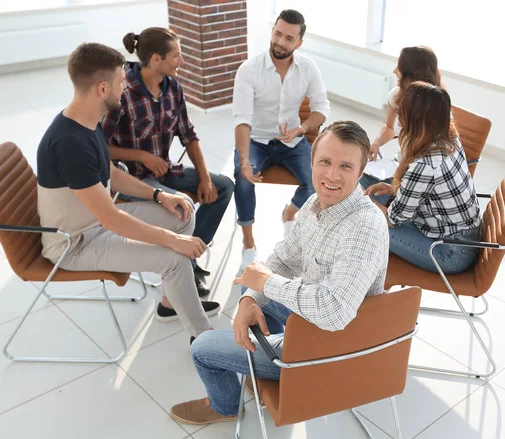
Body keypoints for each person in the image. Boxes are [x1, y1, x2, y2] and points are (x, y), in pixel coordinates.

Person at [169, 121, 389, 426]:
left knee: (202, 347)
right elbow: (285, 259)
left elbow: (334, 312)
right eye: (325, 162)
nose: (332, 175)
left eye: (345, 166)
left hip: (329, 349)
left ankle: (225, 406)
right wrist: (250, 298)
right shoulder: (315, 202)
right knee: (254, 303)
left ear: (361, 171)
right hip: (308, 323)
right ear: (311, 162)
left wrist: (266, 284)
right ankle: (258, 366)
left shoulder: (364, 226)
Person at [37, 42, 220, 346]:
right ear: (102, 88)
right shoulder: (69, 144)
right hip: (76, 243)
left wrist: (160, 197)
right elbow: (110, 218)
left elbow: (112, 175)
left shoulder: (86, 121)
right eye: (122, 82)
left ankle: (170, 302)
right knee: (172, 259)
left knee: (182, 209)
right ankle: (206, 343)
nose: (125, 87)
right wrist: (174, 241)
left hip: (94, 225)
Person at [101, 27, 235, 304]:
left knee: (223, 186)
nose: (182, 61)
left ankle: (187, 260)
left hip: (165, 172)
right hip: (134, 180)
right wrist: (141, 156)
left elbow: (189, 135)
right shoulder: (122, 90)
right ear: (155, 59)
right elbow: (99, 146)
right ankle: (183, 273)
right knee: (181, 206)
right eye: (177, 56)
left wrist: (205, 179)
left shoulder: (173, 87)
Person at [232, 9, 330, 272]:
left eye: (288, 38)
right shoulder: (249, 70)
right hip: (255, 140)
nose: (280, 42)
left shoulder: (308, 68)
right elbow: (242, 119)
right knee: (243, 177)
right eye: (277, 34)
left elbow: (322, 108)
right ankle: (248, 244)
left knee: (317, 182)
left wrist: (301, 128)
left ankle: (289, 213)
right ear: (272, 32)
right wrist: (243, 160)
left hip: (291, 141)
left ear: (298, 43)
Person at [366, 82, 481, 274]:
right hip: (463, 236)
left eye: (404, 106)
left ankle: (364, 288)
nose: (399, 110)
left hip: (449, 252)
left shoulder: (424, 165)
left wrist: (362, 200)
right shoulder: (450, 138)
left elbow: (392, 219)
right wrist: (394, 189)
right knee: (372, 202)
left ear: (415, 116)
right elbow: (430, 188)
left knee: (368, 222)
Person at [361, 46, 442, 206]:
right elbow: (390, 128)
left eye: (399, 67)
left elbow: (425, 168)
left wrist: (397, 186)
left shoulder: (437, 109)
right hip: (399, 167)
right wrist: (376, 143)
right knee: (356, 180)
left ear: (412, 75)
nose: (394, 71)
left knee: (364, 201)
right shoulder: (396, 95)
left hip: (416, 176)